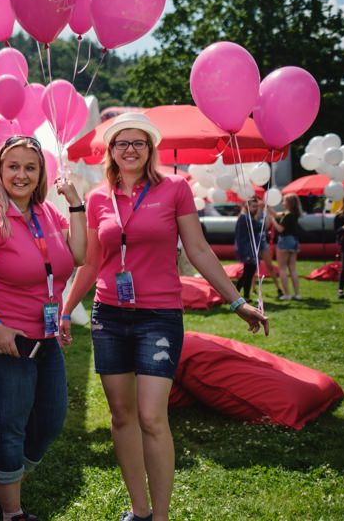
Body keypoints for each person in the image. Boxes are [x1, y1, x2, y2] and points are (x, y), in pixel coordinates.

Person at [61, 113, 269, 521]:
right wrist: (67, 311)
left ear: (150, 149)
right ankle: (139, 511)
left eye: (139, 143)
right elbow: (90, 264)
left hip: (158, 315)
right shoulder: (99, 198)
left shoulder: (173, 188)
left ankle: (161, 516)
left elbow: (199, 249)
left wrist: (235, 301)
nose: (131, 150)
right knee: (121, 416)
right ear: (111, 150)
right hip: (109, 316)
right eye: (123, 143)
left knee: (152, 416)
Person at [0, 135, 87, 521]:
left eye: (30, 168)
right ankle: (10, 512)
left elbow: (81, 255)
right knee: (10, 426)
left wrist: (76, 204)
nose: (21, 174)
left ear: (41, 174)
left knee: (50, 421)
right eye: (13, 166)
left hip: (47, 338)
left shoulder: (48, 215)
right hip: (8, 342)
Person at [270, 193, 303, 300]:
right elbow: (276, 214)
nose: (283, 203)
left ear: (289, 203)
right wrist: (268, 206)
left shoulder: (288, 214)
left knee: (282, 268)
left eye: (284, 201)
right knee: (292, 268)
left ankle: (287, 294)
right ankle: (297, 293)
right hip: (294, 241)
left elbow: (280, 229)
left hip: (285, 241)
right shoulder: (293, 213)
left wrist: (272, 221)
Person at [234, 197, 263, 299]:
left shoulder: (247, 217)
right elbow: (260, 226)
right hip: (248, 250)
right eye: (254, 206)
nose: (256, 209)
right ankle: (241, 295)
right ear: (247, 207)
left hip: (250, 249)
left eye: (257, 206)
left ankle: (240, 294)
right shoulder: (245, 218)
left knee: (248, 273)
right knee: (248, 274)